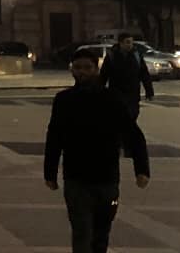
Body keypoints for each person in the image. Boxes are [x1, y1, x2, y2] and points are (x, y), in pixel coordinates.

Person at [45, 48, 150, 253]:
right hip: (76, 177)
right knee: (82, 232)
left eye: (87, 68)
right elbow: (54, 136)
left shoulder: (112, 98)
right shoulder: (64, 100)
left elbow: (133, 133)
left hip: (106, 177)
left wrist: (142, 169)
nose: (82, 72)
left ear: (96, 69)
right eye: (77, 68)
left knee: (101, 233)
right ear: (71, 70)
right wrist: (50, 172)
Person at [98, 33, 154, 120]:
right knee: (119, 119)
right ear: (120, 43)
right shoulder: (112, 56)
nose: (130, 45)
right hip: (116, 94)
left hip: (133, 94)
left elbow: (144, 74)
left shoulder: (137, 55)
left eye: (131, 42)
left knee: (133, 116)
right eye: (127, 42)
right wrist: (99, 92)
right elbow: (103, 75)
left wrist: (149, 91)